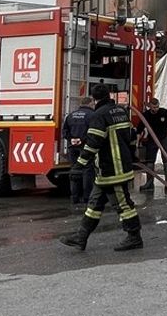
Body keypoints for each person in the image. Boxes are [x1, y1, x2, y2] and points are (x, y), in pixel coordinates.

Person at [59, 83, 143, 252]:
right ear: (109, 95)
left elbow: (93, 143)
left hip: (112, 170)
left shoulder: (99, 115)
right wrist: (132, 155)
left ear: (94, 98)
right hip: (110, 170)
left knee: (123, 205)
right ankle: (81, 237)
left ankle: (134, 237)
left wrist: (79, 166)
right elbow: (132, 136)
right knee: (94, 204)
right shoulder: (120, 111)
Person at [139, 97, 167, 192]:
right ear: (150, 106)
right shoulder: (146, 115)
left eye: (157, 107)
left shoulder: (163, 112)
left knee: (166, 160)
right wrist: (136, 142)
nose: (155, 109)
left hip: (164, 138)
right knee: (150, 161)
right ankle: (149, 183)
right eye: (153, 107)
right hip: (152, 140)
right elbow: (139, 129)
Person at [61, 96, 96, 208]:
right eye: (93, 104)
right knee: (87, 171)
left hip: (72, 147)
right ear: (90, 104)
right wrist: (82, 140)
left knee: (75, 171)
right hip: (85, 147)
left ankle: (74, 197)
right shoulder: (92, 115)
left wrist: (71, 139)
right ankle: (86, 197)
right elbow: (93, 132)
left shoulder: (71, 115)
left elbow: (64, 131)